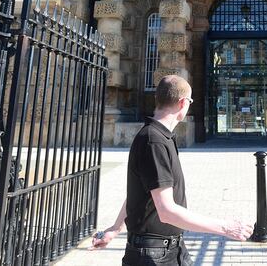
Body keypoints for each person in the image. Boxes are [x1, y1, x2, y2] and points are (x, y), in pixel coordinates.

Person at [91, 75, 253, 265]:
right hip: (152, 255)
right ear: (183, 103)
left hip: (171, 250)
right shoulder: (154, 141)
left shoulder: (161, 137)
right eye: (190, 101)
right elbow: (166, 211)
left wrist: (115, 228)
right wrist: (225, 227)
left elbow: (143, 192)